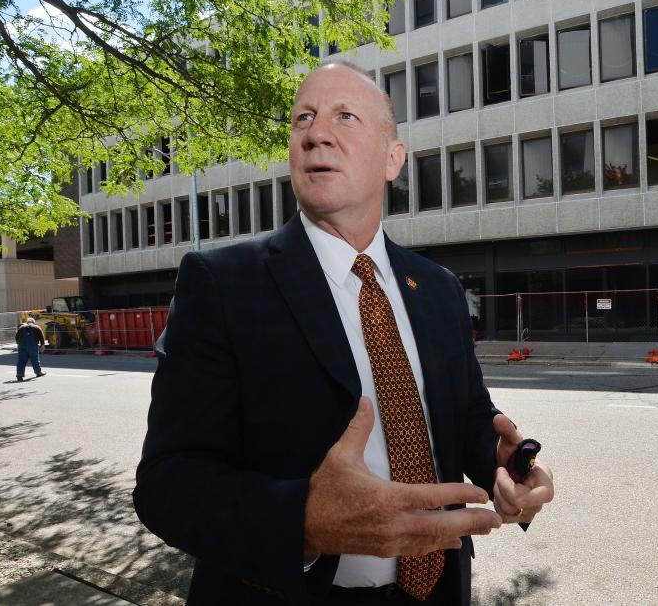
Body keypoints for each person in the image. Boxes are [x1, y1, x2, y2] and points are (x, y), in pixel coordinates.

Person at [133, 62, 555, 606]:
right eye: (302, 119)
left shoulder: (438, 287)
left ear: (392, 159)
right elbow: (168, 484)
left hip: (436, 589)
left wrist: (504, 464)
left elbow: (466, 413)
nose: (315, 133)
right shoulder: (221, 283)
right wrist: (303, 521)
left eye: (344, 116)